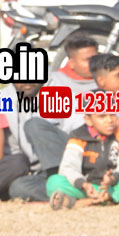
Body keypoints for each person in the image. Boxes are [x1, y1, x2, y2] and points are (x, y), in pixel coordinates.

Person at [23, 34, 100, 195]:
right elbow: (44, 127)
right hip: (68, 150)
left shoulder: (106, 80)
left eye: (96, 58)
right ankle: (65, 182)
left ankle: (66, 188)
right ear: (71, 63)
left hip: (99, 150)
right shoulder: (56, 82)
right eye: (88, 60)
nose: (94, 63)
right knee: (19, 186)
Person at [47, 112, 119, 209]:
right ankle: (111, 198)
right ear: (88, 120)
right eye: (102, 116)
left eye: (112, 114)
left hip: (113, 186)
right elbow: (69, 167)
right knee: (54, 181)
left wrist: (113, 179)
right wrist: (84, 185)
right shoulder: (78, 136)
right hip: (87, 188)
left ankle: (99, 199)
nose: (110, 120)